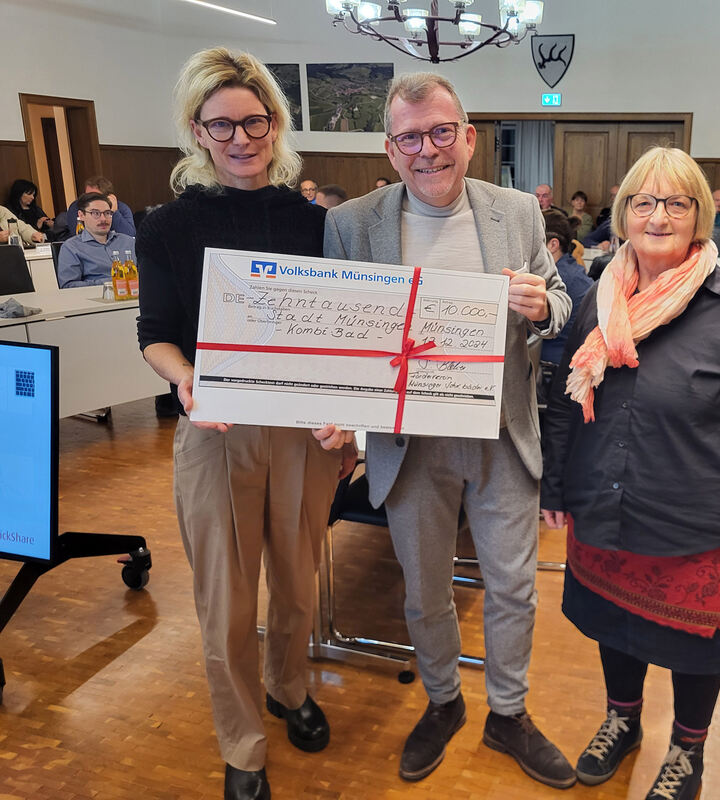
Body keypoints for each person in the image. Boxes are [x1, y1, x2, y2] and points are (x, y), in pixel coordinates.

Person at [323, 72, 575, 789]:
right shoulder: (351, 224)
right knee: (424, 590)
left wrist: (541, 308)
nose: (426, 150)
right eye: (409, 138)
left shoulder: (517, 212)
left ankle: (508, 713)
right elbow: (337, 333)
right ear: (389, 149)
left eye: (440, 133)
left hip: (501, 433)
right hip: (408, 443)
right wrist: (338, 416)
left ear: (468, 139)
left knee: (514, 588)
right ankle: (442, 700)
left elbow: (559, 301)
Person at [135, 47, 354, 800]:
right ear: (197, 131)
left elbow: (339, 335)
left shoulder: (318, 224)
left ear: (275, 124)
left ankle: (289, 688)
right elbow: (155, 334)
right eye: (221, 124)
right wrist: (185, 376)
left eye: (254, 121)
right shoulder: (166, 227)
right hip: (215, 431)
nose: (240, 138)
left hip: (302, 433)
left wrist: (346, 420)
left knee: (296, 584)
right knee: (226, 600)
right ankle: (241, 744)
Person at [541, 147, 720, 800]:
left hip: (694, 522)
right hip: (604, 502)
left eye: (676, 203)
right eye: (644, 202)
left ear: (699, 215)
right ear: (623, 213)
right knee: (614, 624)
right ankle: (622, 722)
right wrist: (555, 485)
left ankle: (687, 751)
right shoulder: (599, 296)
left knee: (694, 646)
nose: (657, 217)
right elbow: (566, 401)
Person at [540, 215, 593, 366]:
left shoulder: (556, 280)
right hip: (572, 358)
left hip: (554, 363)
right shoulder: (573, 269)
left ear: (553, 245)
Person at [57, 192, 136, 287]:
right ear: (81, 215)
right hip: (95, 295)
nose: (103, 219)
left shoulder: (129, 242)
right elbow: (69, 286)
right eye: (96, 213)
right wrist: (113, 282)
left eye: (107, 213)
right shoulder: (71, 247)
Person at [65, 176, 136, 236]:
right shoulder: (77, 207)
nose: (88, 199)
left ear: (108, 198)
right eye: (87, 195)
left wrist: (114, 212)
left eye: (94, 196)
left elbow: (130, 235)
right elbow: (78, 235)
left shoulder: (121, 207)